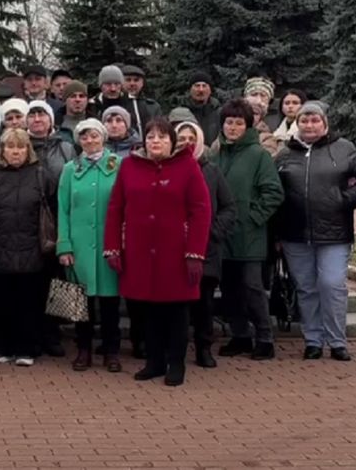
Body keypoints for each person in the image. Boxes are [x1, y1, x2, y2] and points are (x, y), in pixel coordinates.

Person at [105, 118, 211, 387]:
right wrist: (113, 246)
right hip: (140, 251)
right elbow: (116, 208)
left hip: (175, 252)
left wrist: (195, 253)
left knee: (175, 312)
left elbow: (201, 210)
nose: (156, 142)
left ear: (172, 141)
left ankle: (176, 363)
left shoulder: (187, 166)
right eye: (151, 137)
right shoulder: (129, 166)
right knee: (146, 310)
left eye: (162, 137)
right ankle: (154, 362)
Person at [273, 101, 356, 361]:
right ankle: (313, 340)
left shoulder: (345, 149)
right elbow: (275, 193)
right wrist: (278, 233)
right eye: (304, 121)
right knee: (306, 287)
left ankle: (337, 341)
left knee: (332, 284)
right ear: (297, 124)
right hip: (295, 233)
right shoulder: (285, 154)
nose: (309, 125)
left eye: (314, 120)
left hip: (334, 233)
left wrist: (343, 200)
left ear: (325, 123)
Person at [0, 128, 55, 366]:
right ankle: (3, 347)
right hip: (0, 252)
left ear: (28, 150)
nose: (16, 152)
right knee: (2, 302)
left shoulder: (42, 176)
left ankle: (27, 348)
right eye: (11, 147)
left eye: (20, 147)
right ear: (3, 151)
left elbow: (54, 211)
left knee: (30, 302)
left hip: (34, 251)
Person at [212, 99, 285, 361]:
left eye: (238, 123)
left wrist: (254, 217)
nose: (232, 127)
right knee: (229, 289)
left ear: (248, 125)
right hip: (222, 234)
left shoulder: (258, 155)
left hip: (249, 236)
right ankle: (240, 335)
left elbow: (273, 192)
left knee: (252, 287)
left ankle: (264, 337)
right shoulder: (216, 154)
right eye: (228, 122)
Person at [57, 119, 122, 372]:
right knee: (78, 304)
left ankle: (111, 351)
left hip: (109, 245)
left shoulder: (118, 165)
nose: (90, 141)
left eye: (94, 136)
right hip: (79, 246)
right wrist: (64, 245)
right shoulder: (69, 169)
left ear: (103, 137)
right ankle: (83, 350)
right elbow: (62, 209)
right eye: (84, 137)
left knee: (110, 305)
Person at [174, 120, 236, 369]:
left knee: (204, 304)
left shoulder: (211, 171)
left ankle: (203, 348)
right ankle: (174, 349)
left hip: (206, 249)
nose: (187, 143)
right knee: (176, 305)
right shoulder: (168, 168)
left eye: (192, 138)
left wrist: (211, 232)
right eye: (182, 139)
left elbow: (229, 207)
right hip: (174, 248)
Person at [25, 101, 76, 183]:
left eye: (41, 115)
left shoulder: (66, 148)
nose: (37, 119)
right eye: (31, 116)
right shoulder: (21, 147)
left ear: (50, 119)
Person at [178, 72, 221, 145]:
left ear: (210, 90)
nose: (201, 90)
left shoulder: (220, 113)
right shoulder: (180, 114)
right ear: (190, 89)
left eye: (204, 86)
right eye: (197, 86)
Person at [57, 80, 91, 145]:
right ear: (65, 100)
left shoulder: (95, 122)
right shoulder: (56, 124)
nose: (78, 100)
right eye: (73, 96)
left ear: (87, 100)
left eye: (81, 96)